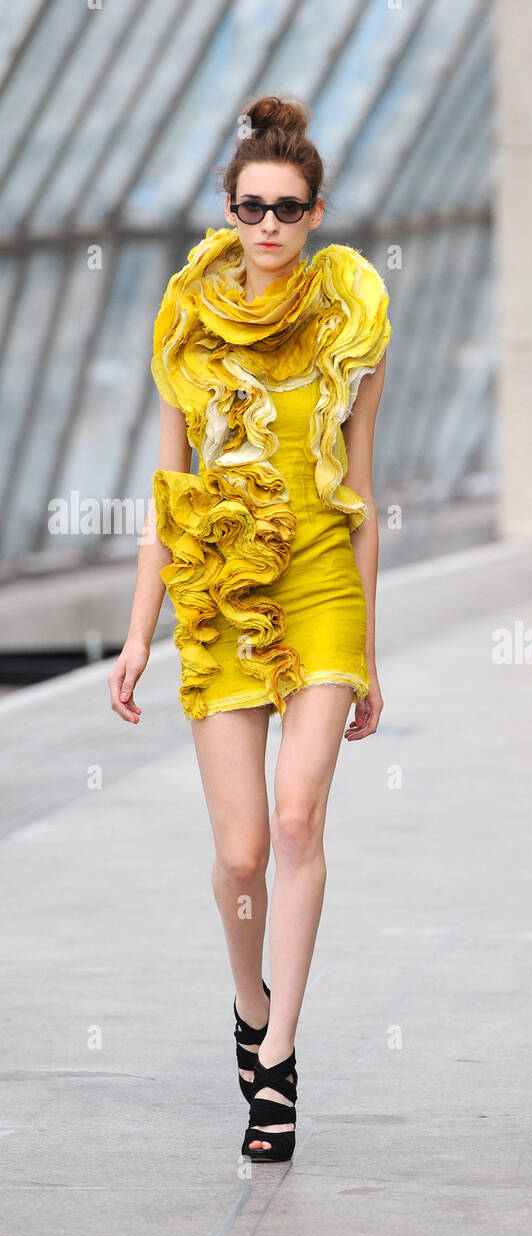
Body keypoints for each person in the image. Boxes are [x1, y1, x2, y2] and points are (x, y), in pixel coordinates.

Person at [107, 95, 391, 1162]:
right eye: (247, 208)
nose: (265, 225)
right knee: (238, 857)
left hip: (319, 584)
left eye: (284, 208)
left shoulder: (352, 323)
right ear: (227, 212)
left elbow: (362, 490)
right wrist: (141, 632)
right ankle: (246, 992)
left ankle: (277, 1058)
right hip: (218, 594)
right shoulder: (187, 325)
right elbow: (165, 493)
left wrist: (367, 650)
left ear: (316, 213)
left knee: (299, 821)